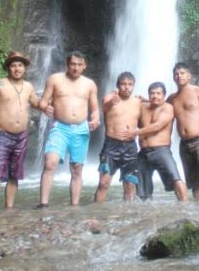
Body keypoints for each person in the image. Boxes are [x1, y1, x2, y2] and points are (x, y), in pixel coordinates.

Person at [37, 51, 100, 207]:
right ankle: (43, 204)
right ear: (67, 64)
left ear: (84, 66)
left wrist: (96, 119)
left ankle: (74, 205)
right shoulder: (54, 79)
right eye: (73, 64)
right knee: (50, 163)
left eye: (79, 65)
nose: (75, 68)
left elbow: (95, 108)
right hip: (60, 127)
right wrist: (46, 108)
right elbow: (42, 102)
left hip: (81, 128)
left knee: (77, 169)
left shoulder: (89, 84)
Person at [0, 51, 41, 211]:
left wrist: (49, 104)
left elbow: (36, 102)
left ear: (25, 68)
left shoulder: (28, 86)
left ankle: (9, 208)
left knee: (15, 174)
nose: (17, 68)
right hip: (2, 135)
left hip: (21, 136)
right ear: (8, 68)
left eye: (20, 65)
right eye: (13, 65)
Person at [167, 62, 199, 202]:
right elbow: (165, 115)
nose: (179, 76)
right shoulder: (171, 99)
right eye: (176, 74)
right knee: (194, 181)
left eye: (182, 73)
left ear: (189, 76)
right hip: (184, 143)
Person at [94, 71, 142, 202]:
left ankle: (127, 215)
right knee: (103, 183)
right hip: (111, 146)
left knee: (130, 184)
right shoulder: (110, 99)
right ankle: (97, 214)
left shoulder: (138, 102)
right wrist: (111, 101)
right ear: (118, 86)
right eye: (123, 84)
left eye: (130, 84)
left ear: (134, 86)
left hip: (130, 147)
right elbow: (104, 107)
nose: (127, 87)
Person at [135, 82, 187, 201]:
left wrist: (135, 133)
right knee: (142, 187)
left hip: (161, 150)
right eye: (152, 93)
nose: (155, 96)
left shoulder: (167, 108)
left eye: (158, 93)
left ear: (164, 95)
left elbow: (157, 126)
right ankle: (146, 211)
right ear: (148, 95)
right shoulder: (143, 107)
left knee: (175, 178)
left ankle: (185, 205)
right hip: (143, 152)